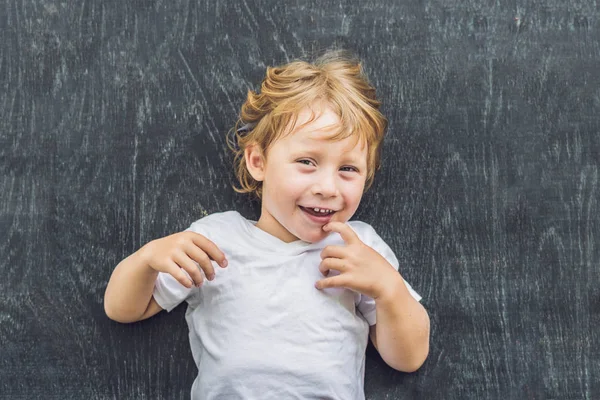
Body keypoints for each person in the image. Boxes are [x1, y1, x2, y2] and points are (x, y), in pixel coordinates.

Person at [104, 50, 430, 399]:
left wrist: (389, 289)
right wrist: (146, 260)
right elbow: (123, 310)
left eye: (348, 169)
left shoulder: (359, 249)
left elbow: (408, 359)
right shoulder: (214, 241)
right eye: (307, 162)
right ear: (258, 162)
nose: (327, 187)